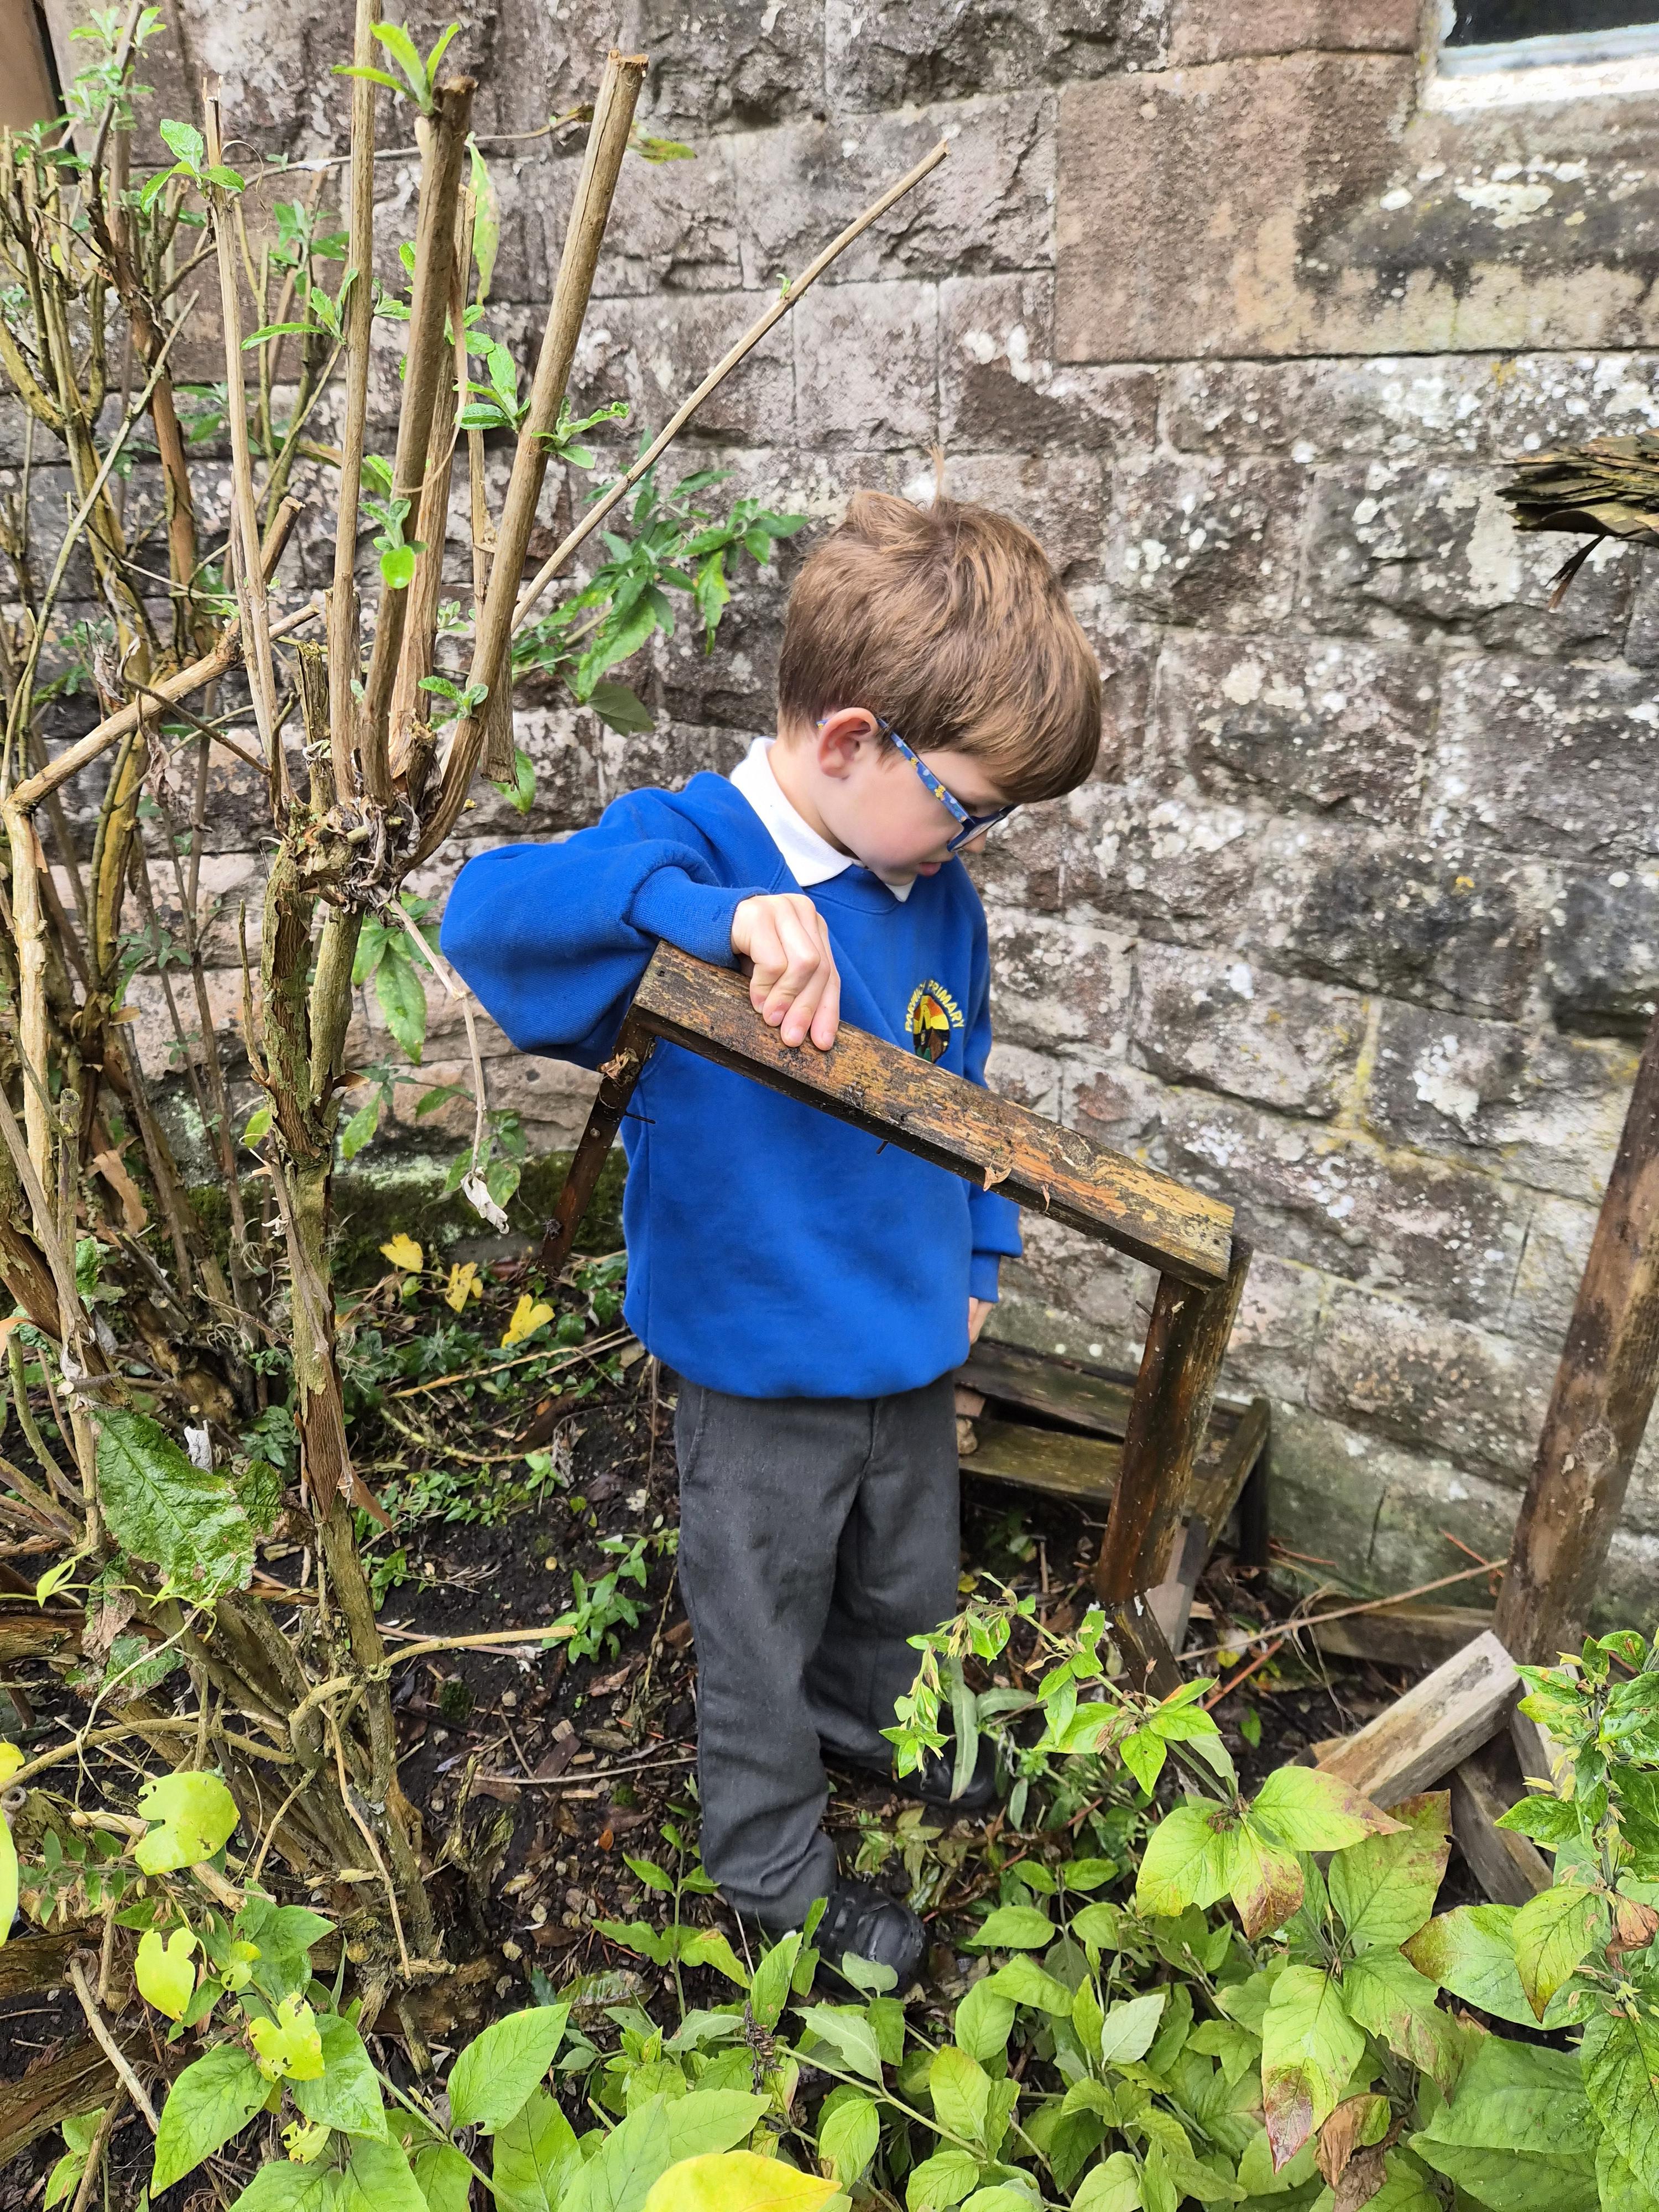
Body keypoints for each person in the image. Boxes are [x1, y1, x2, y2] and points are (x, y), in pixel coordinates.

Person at [441, 488, 1103, 1984]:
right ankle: (772, 1868)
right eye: (972, 804)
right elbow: (490, 916)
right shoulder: (693, 843)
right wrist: (712, 917)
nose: (978, 840)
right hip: (755, 1363)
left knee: (903, 1585)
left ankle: (881, 1730)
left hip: (909, 1336)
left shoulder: (934, 892)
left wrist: (981, 1257)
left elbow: (966, 1081)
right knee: (760, 1616)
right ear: (855, 740)